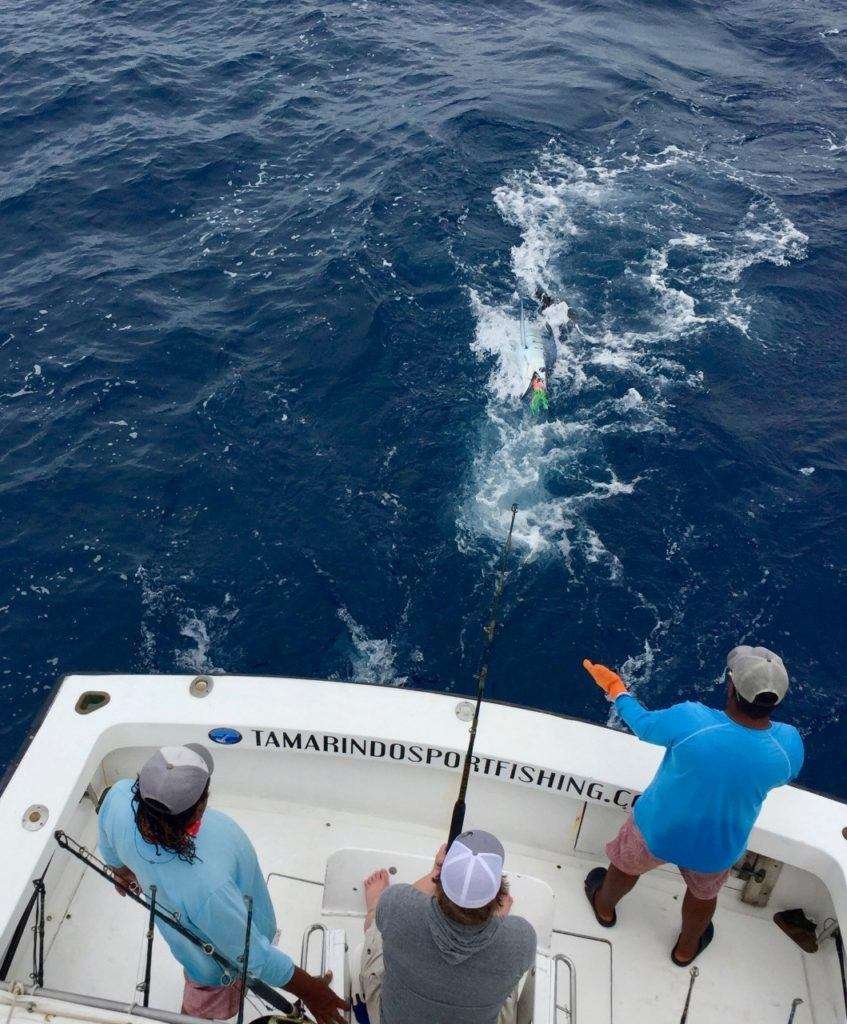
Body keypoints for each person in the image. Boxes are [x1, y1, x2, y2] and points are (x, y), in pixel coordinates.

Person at [582, 646, 804, 966]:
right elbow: (780, 775)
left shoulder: (692, 718)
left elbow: (643, 725)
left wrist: (616, 688)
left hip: (657, 830)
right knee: (703, 896)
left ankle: (604, 907)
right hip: (716, 848)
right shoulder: (789, 744)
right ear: (777, 699)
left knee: (625, 867)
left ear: (731, 686)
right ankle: (686, 949)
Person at [98, 744, 347, 1023]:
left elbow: (110, 850)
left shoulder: (119, 796)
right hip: (216, 971)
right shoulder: (208, 888)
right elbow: (254, 957)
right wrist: (314, 993)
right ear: (198, 810)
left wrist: (123, 872)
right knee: (195, 1013)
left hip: (227, 931)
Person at [357, 830, 536, 1024]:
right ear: (498, 894)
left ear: (440, 881)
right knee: (508, 975)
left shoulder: (395, 903)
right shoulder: (522, 938)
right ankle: (493, 917)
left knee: (377, 921)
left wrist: (439, 871)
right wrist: (497, 922)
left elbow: (406, 900)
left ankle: (373, 908)